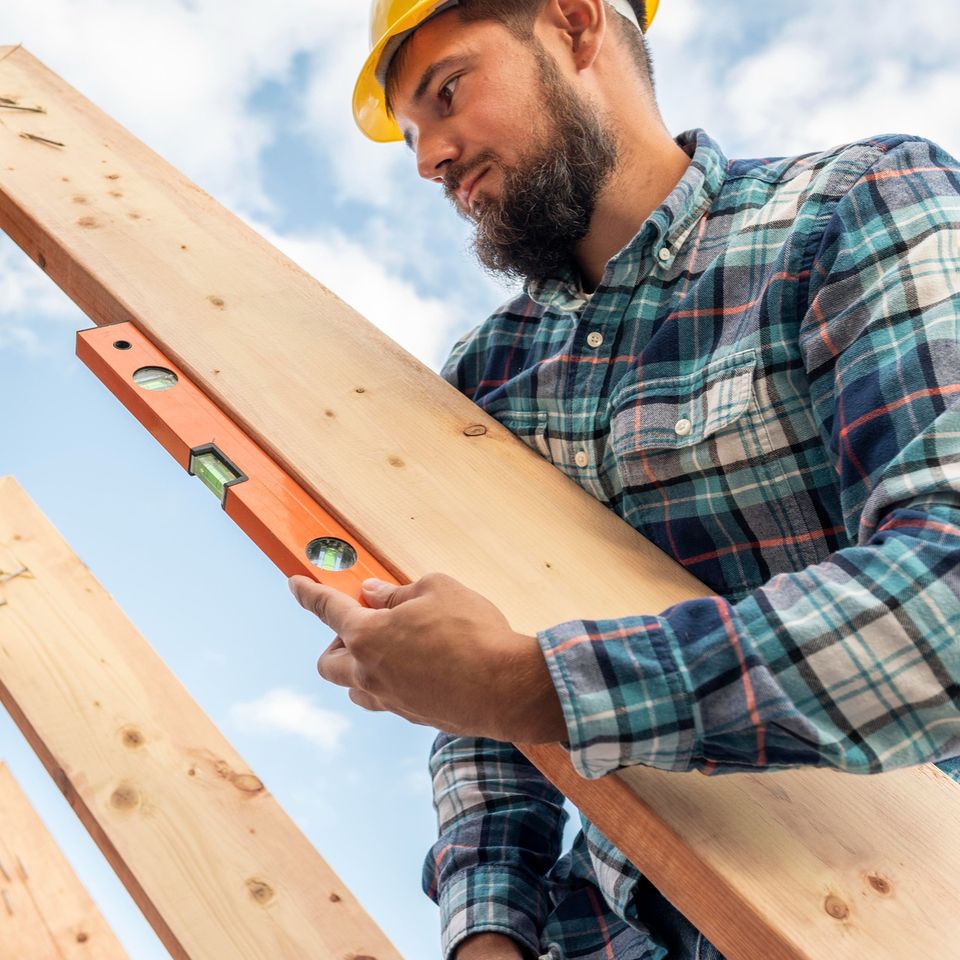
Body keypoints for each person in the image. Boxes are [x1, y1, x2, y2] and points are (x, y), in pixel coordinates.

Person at [288, 1, 960, 958]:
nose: (429, 156)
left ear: (571, 24)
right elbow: (480, 717)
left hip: (898, 912)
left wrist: (539, 687)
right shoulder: (488, 380)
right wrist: (487, 934)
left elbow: (946, 597)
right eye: (412, 134)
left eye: (448, 91)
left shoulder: (857, 208)